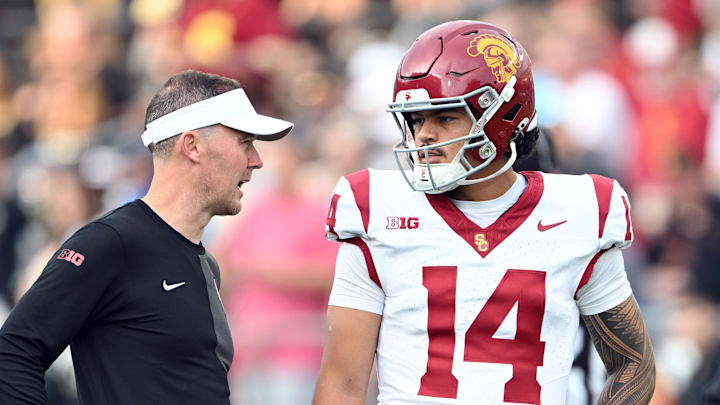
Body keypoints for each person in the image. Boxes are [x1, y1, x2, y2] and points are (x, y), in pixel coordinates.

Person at [312, 21, 655, 405]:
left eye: (444, 118)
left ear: (503, 117)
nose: (424, 134)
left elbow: (633, 365)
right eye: (417, 119)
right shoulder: (376, 207)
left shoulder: (579, 212)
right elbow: (342, 383)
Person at [0, 69, 293, 404]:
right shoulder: (108, 243)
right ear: (192, 146)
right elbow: (14, 352)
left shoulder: (205, 262)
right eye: (245, 142)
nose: (256, 161)